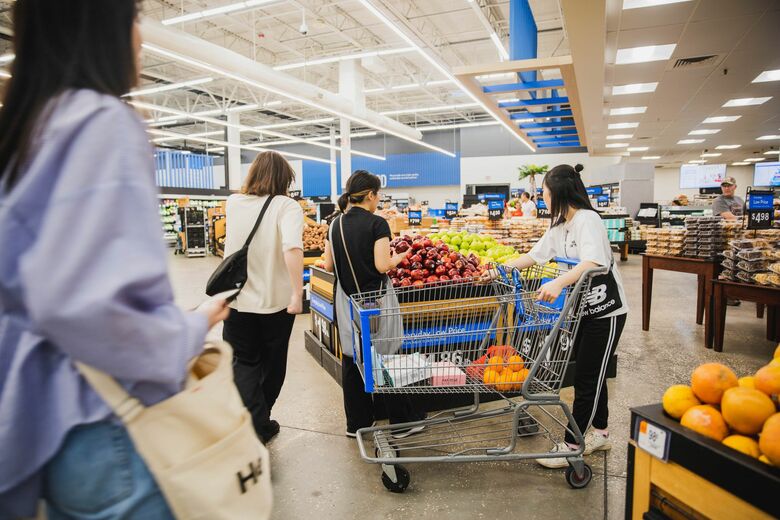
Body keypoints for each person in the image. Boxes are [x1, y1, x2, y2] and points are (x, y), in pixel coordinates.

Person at [0, 1, 229, 517]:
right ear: (99, 24)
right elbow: (91, 310)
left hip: (41, 422)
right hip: (109, 422)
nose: (140, 38)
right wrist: (191, 327)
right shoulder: (101, 121)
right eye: (133, 18)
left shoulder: (25, 131)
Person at [501, 164, 628, 468]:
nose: (542, 199)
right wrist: (500, 269)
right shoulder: (560, 226)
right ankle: (600, 433)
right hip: (580, 311)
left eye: (544, 193)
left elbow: (594, 261)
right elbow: (534, 255)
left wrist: (558, 283)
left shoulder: (587, 220)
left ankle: (572, 445)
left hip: (605, 311)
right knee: (592, 374)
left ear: (558, 192)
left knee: (587, 378)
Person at [323, 170, 425, 438]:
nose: (378, 200)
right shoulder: (378, 224)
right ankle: (401, 423)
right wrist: (400, 257)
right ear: (370, 195)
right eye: (378, 195)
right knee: (388, 356)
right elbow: (382, 265)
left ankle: (357, 424)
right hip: (377, 300)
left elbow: (328, 265)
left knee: (352, 357)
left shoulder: (334, 224)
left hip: (346, 300)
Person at [222, 151, 304, 444]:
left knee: (242, 363)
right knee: (272, 366)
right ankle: (260, 422)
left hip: (236, 299)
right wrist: (298, 293)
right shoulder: (287, 206)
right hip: (275, 304)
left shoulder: (233, 202)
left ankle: (250, 422)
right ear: (284, 179)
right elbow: (292, 248)